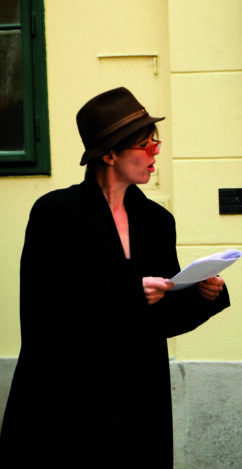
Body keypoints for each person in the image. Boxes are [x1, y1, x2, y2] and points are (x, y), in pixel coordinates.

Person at [0, 87, 230, 467]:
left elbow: (163, 318)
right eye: (145, 143)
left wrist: (203, 295)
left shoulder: (157, 221)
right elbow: (44, 311)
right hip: (69, 402)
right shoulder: (55, 213)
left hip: (140, 403)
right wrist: (130, 293)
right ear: (109, 154)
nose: (156, 151)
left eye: (154, 140)